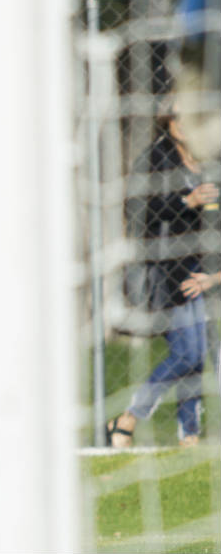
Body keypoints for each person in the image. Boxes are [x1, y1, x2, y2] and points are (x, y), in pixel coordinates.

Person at [107, 110, 218, 448]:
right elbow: (140, 212)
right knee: (189, 353)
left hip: (208, 271)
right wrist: (188, 200)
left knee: (199, 352)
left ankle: (189, 436)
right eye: (176, 117)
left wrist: (213, 276)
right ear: (167, 123)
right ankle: (129, 417)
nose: (185, 123)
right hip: (168, 271)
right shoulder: (156, 159)